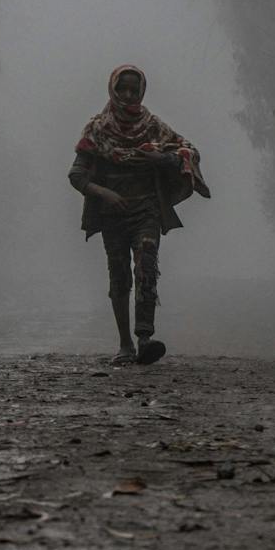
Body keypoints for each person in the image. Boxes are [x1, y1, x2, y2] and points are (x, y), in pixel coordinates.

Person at [68, 65, 210, 365]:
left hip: (146, 210)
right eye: (123, 88)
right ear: (113, 89)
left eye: (135, 89)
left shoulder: (153, 126)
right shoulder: (96, 129)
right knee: (119, 275)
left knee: (146, 263)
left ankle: (145, 337)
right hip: (112, 214)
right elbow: (77, 176)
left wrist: (162, 157)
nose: (129, 95)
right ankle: (125, 345)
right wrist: (106, 193)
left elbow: (189, 152)